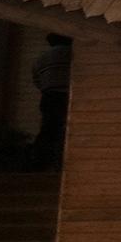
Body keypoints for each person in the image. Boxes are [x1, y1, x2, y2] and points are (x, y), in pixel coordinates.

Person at [31, 33, 72, 170]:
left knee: (48, 130)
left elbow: (36, 80)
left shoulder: (41, 58)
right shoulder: (73, 54)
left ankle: (38, 165)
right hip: (67, 96)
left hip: (48, 96)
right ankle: (60, 166)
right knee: (67, 131)